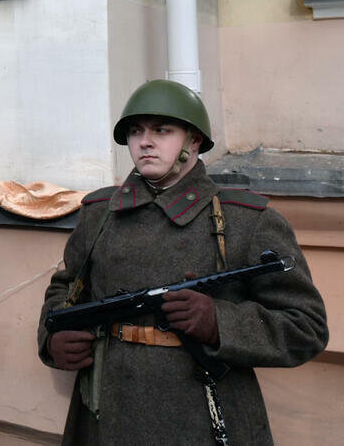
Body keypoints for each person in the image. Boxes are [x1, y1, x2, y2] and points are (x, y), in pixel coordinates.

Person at [37, 79, 328, 445]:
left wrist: (219, 322)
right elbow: (65, 287)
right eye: (135, 131)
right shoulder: (100, 215)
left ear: (193, 141)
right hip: (107, 413)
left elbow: (306, 328)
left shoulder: (246, 220)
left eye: (162, 130)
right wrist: (53, 337)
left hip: (202, 415)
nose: (145, 141)